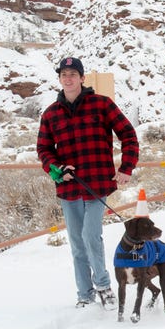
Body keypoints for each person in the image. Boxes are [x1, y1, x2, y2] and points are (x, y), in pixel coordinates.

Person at [37, 57, 139, 308]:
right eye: (64, 74)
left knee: (91, 235)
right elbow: (43, 149)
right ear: (60, 79)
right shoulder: (50, 114)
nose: (68, 78)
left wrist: (126, 167)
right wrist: (58, 170)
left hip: (97, 183)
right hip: (68, 186)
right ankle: (84, 293)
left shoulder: (102, 104)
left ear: (82, 78)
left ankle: (104, 286)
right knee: (77, 242)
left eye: (73, 74)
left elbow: (128, 134)